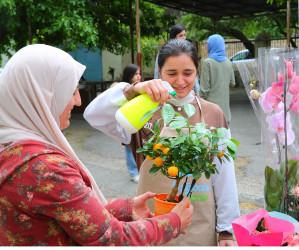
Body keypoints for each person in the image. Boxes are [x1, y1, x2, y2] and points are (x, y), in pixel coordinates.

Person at [0, 44, 193, 246]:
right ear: (41, 96)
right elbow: (109, 237)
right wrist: (173, 222)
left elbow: (71, 211)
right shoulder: (46, 168)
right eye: (71, 91)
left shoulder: (13, 145)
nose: (77, 100)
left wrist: (126, 208)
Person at [84, 39, 240, 246]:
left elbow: (224, 176)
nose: (180, 81)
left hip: (200, 223)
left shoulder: (213, 113)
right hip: (151, 224)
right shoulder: (143, 111)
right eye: (171, 73)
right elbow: (93, 114)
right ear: (159, 71)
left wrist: (226, 230)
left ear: (197, 70)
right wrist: (134, 90)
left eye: (188, 73)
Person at [154, 24, 200, 94]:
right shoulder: (164, 52)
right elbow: (157, 74)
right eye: (172, 74)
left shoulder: (190, 51)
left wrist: (197, 92)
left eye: (184, 35)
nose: (180, 82)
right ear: (174, 36)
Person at [199, 34, 236, 123]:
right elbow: (232, 83)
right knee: (224, 136)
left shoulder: (207, 63)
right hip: (225, 114)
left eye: (208, 46)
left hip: (211, 112)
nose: (207, 48)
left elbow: (204, 89)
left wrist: (198, 103)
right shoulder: (228, 62)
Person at [118, 64, 141, 183]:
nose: (139, 76)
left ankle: (137, 170)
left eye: (139, 73)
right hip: (127, 122)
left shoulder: (138, 88)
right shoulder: (124, 89)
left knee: (137, 145)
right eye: (136, 74)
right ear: (129, 75)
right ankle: (133, 172)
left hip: (137, 122)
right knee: (129, 146)